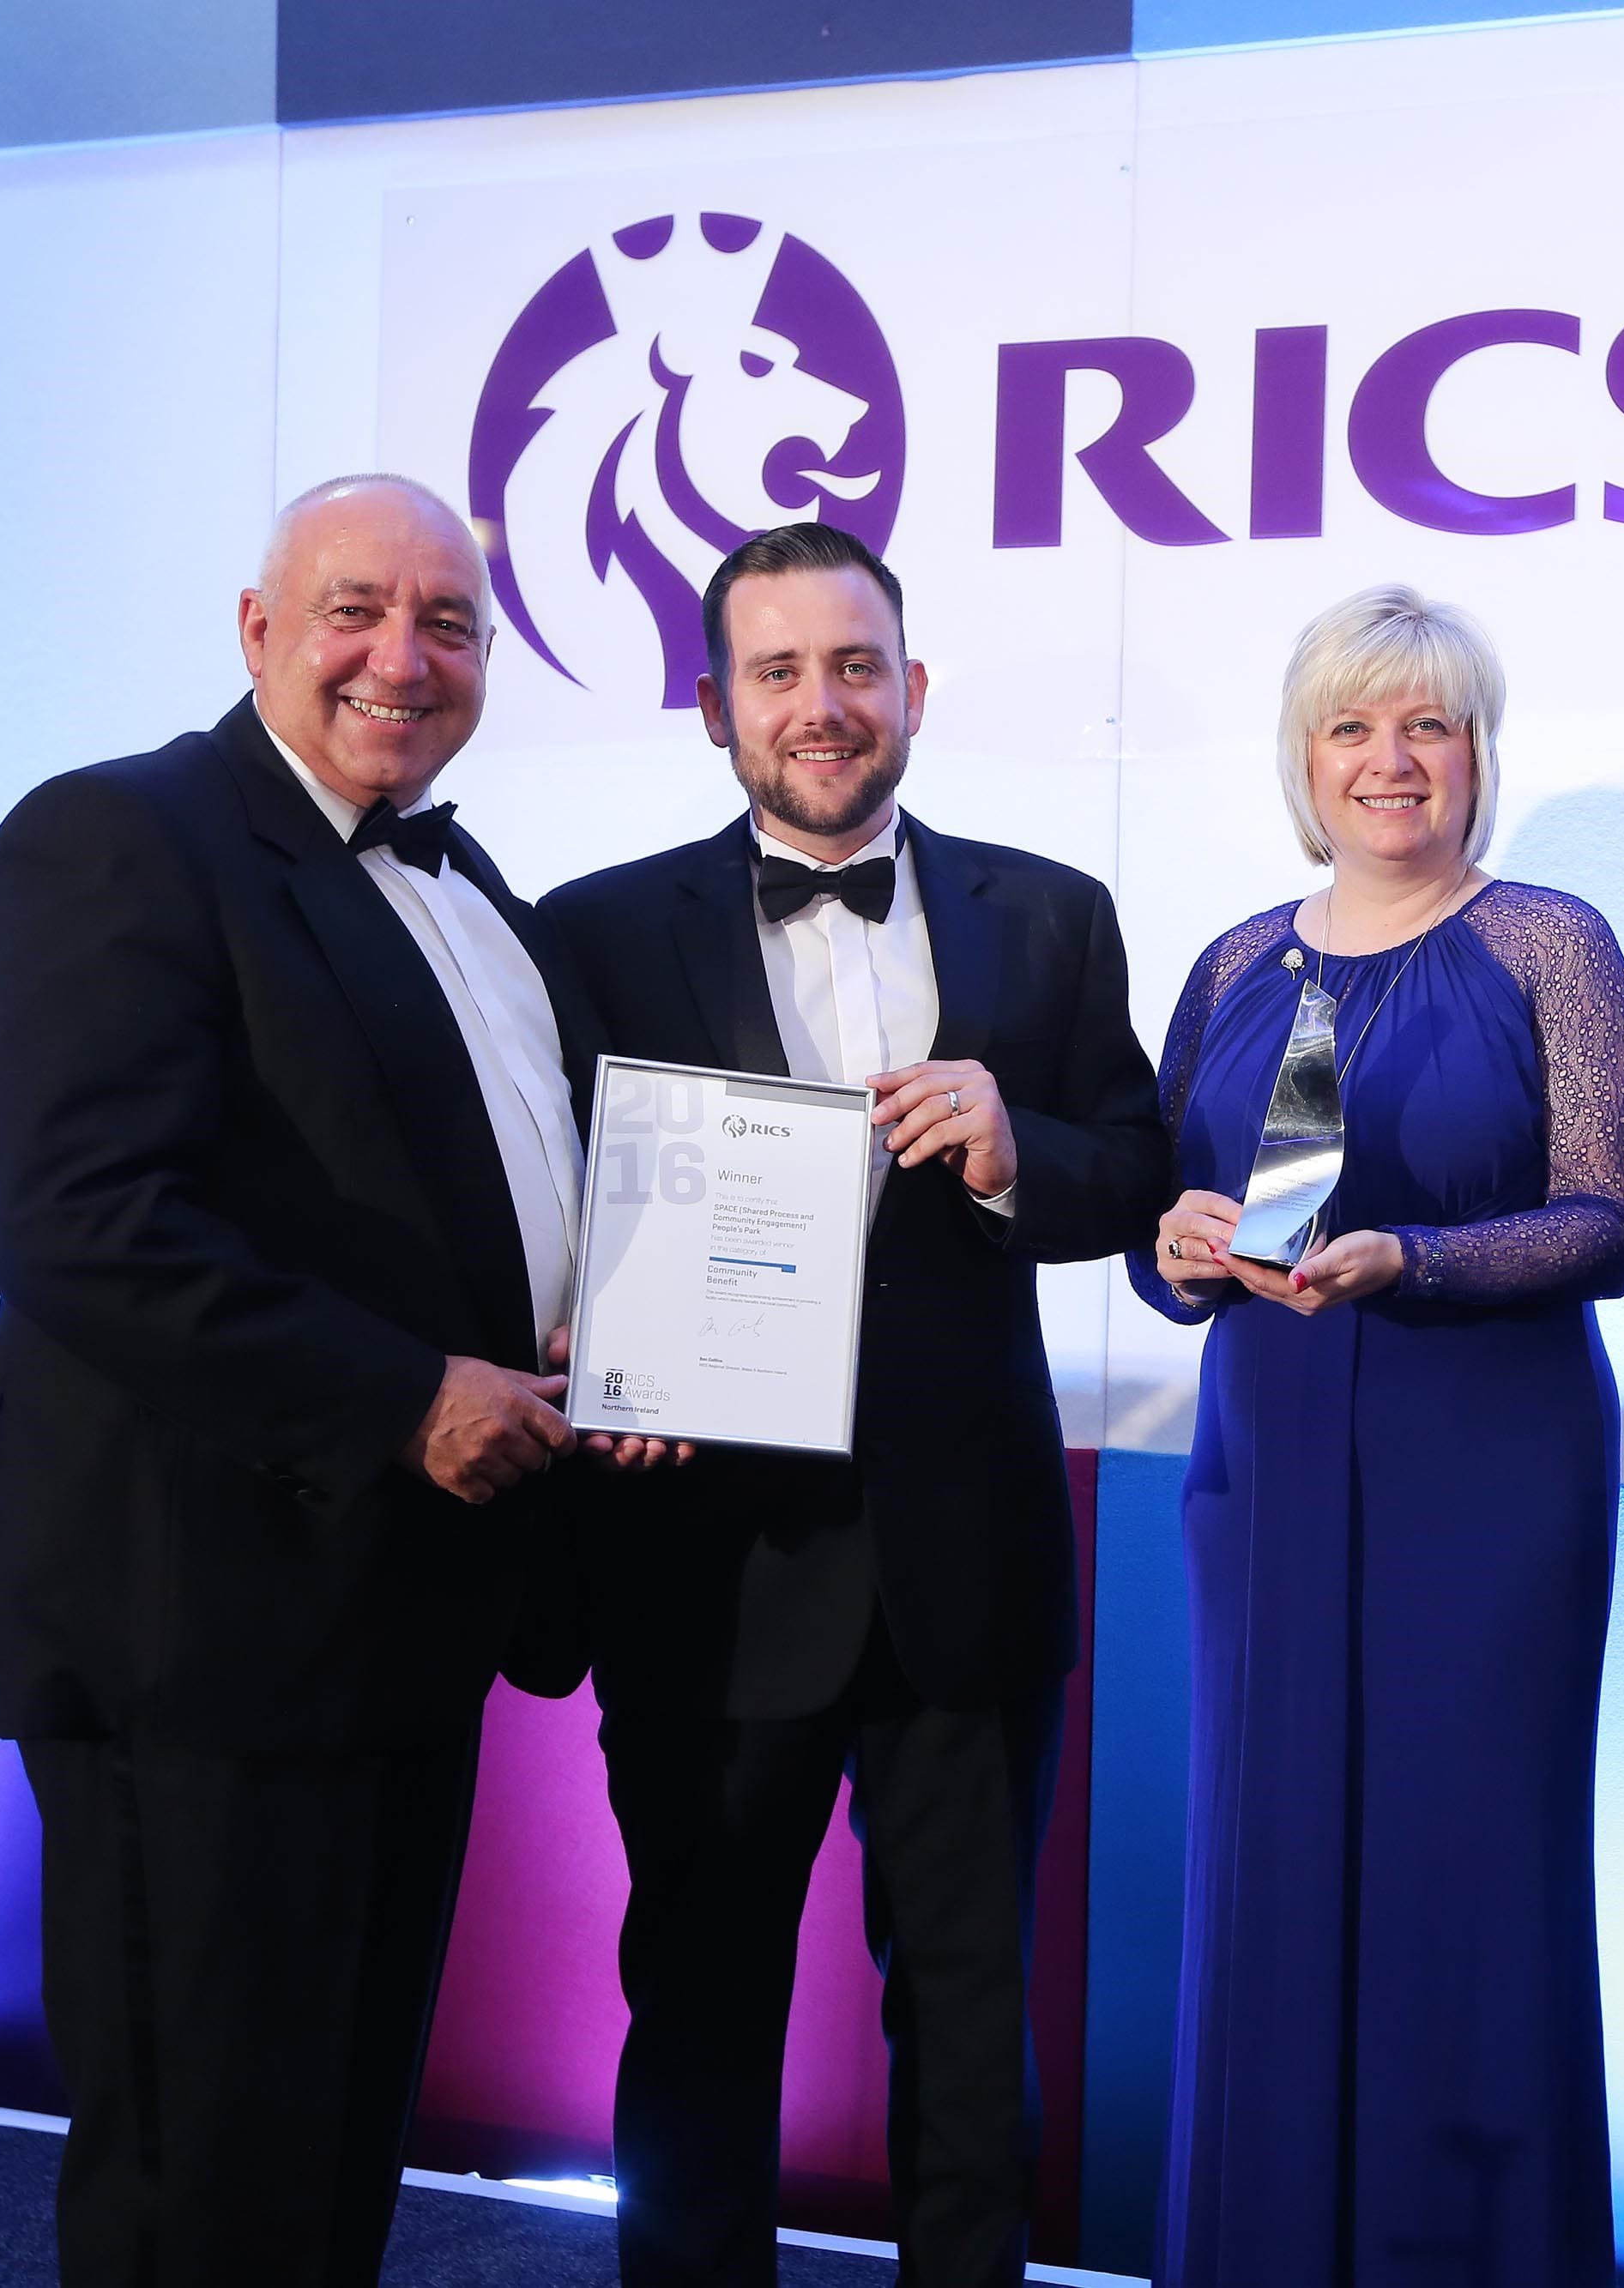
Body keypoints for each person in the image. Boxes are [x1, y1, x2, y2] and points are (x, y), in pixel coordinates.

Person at [0, 474, 598, 2285]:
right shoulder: (120, 836)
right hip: (204, 1633)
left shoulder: (474, 891)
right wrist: (404, 1395)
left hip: (397, 1617)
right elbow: (74, 1218)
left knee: (320, 2173)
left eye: (449, 624)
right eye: (355, 609)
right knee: (201, 2181)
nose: (403, 656)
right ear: (256, 629)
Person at [535, 522, 1168, 2288]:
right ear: (715, 705)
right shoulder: (590, 932)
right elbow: (540, 1207)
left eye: (853, 666)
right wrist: (593, 1345)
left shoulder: (1049, 913)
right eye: (777, 671)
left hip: (964, 1559)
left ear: (909, 685)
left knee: (970, 2022)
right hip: (703, 1558)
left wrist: (1012, 1143)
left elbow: (1132, 1171)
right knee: (701, 2004)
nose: (821, 705)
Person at [1132, 585, 1624, 2288]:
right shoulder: (1225, 961)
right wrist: (1173, 1253)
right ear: (1304, 756)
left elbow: (1603, 1211)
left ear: (1474, 751)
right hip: (1262, 1467)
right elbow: (1172, 1246)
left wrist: (1409, 1259)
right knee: (1265, 1866)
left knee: (1468, 1879)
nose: (1391, 757)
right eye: (1354, 725)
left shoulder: (1547, 943)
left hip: (1487, 1474)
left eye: (1425, 723)